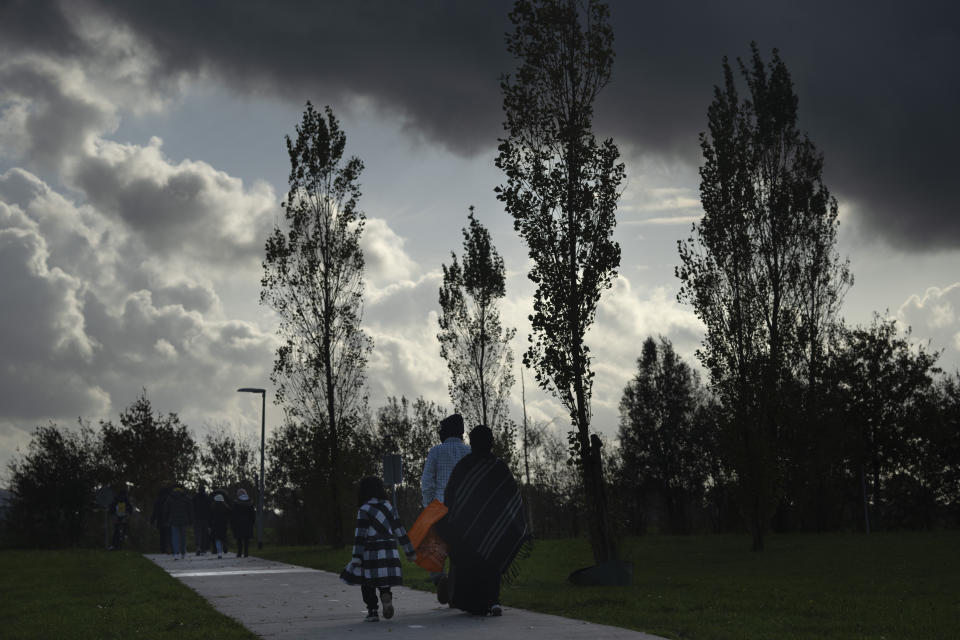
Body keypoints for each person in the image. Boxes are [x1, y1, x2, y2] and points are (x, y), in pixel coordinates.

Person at [437, 425, 530, 617]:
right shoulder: (499, 467)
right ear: (491, 443)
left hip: (465, 530)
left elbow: (451, 497)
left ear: (472, 442)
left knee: (469, 564)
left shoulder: (463, 466)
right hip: (495, 528)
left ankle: (475, 603)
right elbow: (512, 498)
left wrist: (448, 520)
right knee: (492, 559)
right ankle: (493, 601)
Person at [341, 476, 416, 622]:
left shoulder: (364, 509)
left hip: (371, 551)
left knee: (367, 582)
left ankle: (373, 611)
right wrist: (409, 551)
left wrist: (356, 557)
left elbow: (360, 535)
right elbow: (400, 530)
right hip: (389, 549)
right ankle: (385, 596)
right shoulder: (389, 507)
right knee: (384, 580)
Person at [419, 413, 470, 603]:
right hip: (464, 511)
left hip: (439, 508)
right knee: (459, 551)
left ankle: (439, 579)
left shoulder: (436, 452)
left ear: (445, 432)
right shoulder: (469, 452)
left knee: (433, 548)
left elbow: (427, 483)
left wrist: (428, 506)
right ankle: (456, 591)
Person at [164, 484, 193, 560]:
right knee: (183, 537)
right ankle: (183, 552)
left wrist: (166, 519)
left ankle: (176, 553)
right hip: (184, 520)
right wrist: (190, 520)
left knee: (175, 537)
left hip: (173, 520)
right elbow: (190, 510)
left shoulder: (170, 498)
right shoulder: (186, 498)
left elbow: (166, 510)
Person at [231, 488, 256, 557]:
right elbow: (252, 514)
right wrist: (252, 522)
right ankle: (246, 553)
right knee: (246, 539)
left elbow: (233, 514)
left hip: (239, 523)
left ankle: (239, 553)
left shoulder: (236, 502)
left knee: (239, 539)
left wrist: (233, 522)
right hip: (248, 523)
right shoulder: (250, 502)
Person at [150, 486, 172, 554]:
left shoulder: (158, 500)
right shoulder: (170, 499)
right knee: (169, 535)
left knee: (162, 536)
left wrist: (152, 520)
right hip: (168, 519)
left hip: (160, 520)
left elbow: (155, 511)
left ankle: (163, 549)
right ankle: (170, 548)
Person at [210, 491, 231, 559]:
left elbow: (210, 516)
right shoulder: (226, 507)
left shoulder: (213, 507)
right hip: (223, 524)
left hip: (215, 525)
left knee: (217, 539)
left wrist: (210, 524)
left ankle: (219, 553)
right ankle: (224, 544)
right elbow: (229, 515)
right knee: (223, 537)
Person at [193, 481, 211, 556]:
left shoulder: (195, 497)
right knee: (204, 534)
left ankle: (198, 547)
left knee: (198, 533)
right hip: (205, 518)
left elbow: (193, 508)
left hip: (197, 518)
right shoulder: (207, 497)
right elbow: (209, 508)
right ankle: (203, 549)